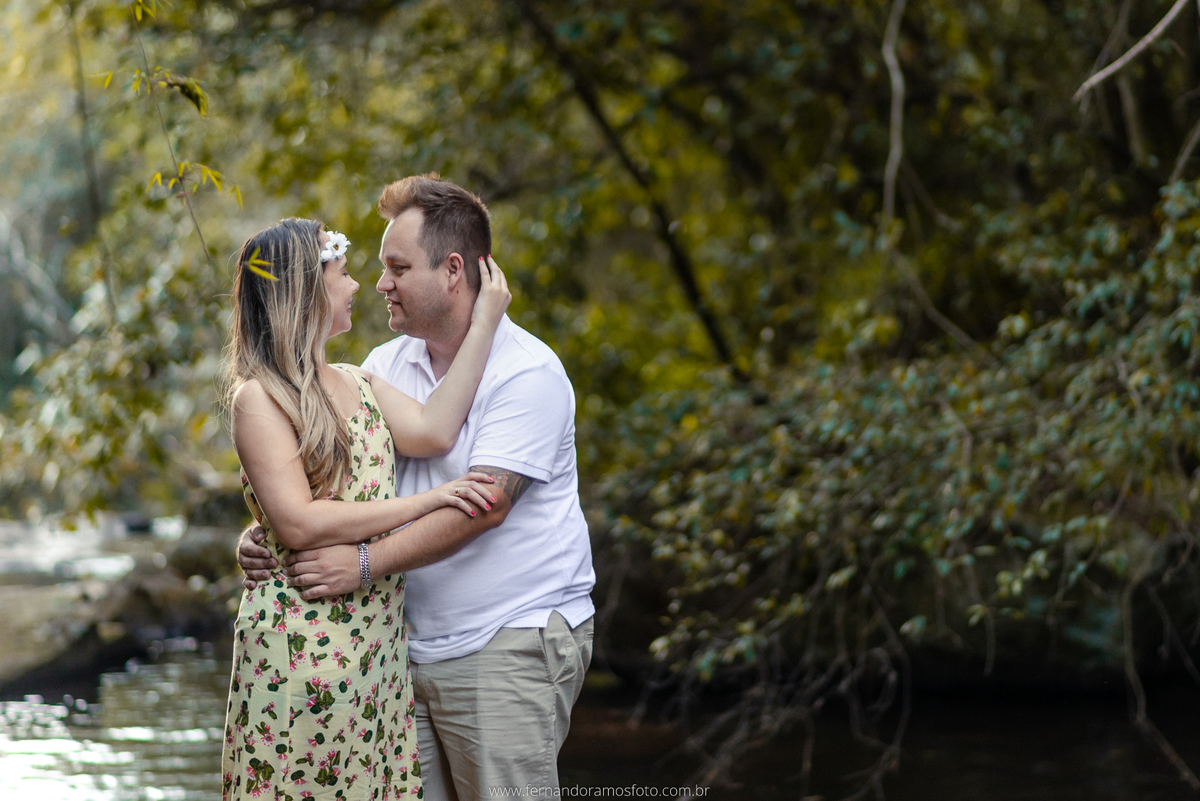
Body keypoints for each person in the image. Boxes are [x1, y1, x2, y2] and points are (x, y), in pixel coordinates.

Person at [237, 175, 596, 801]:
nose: (377, 284)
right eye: (367, 268)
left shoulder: (528, 373)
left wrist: (364, 563)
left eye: (396, 267)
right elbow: (330, 489)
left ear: (453, 271)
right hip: (396, 649)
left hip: (502, 641)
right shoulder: (382, 364)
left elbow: (479, 507)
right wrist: (264, 528)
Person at [220, 216, 511, 800]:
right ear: (305, 290)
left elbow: (435, 430)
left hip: (376, 650)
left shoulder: (360, 379)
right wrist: (426, 502)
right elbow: (299, 522)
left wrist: (485, 322)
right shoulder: (259, 397)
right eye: (344, 273)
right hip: (303, 648)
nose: (358, 286)